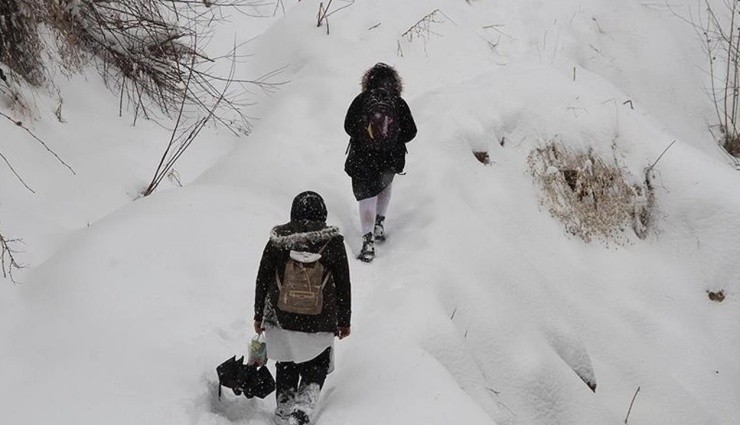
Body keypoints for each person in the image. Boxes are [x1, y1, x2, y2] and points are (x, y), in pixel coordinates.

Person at [253, 191, 352, 425]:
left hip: (281, 315)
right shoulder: (333, 242)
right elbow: (343, 283)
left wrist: (259, 314)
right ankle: (303, 408)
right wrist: (344, 320)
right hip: (320, 316)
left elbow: (263, 278)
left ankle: (284, 407)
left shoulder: (278, 240)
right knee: (317, 361)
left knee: (286, 360)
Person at [344, 62, 417, 262]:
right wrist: (392, 138)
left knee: (366, 197)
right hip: (389, 159)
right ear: (395, 83)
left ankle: (367, 241)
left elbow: (348, 126)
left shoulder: (361, 100)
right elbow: (411, 132)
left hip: (362, 159)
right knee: (384, 185)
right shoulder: (397, 102)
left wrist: (365, 137)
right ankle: (379, 224)